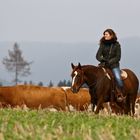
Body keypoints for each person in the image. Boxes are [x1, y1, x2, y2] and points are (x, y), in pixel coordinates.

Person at [96, 28, 124, 102]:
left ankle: (120, 94)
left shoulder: (117, 45)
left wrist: (110, 62)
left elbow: (118, 57)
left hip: (114, 66)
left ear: (111, 35)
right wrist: (103, 60)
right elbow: (98, 55)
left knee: (118, 78)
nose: (105, 35)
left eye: (106, 34)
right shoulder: (102, 44)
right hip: (103, 65)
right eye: (104, 34)